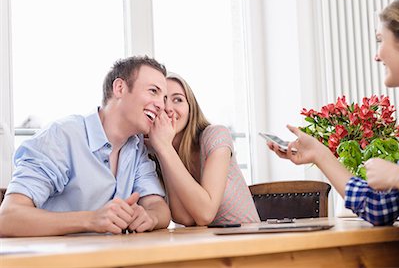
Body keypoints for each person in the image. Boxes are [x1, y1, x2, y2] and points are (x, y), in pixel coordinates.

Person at [267, 0, 399, 267]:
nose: (377, 56)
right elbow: (378, 208)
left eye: (381, 41)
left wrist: (398, 175)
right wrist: (320, 154)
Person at [0, 56, 171, 236]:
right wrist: (91, 219)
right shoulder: (62, 136)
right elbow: (8, 217)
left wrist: (149, 217)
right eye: (153, 91)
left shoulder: (136, 147)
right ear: (119, 88)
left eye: (164, 97)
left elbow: (158, 207)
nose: (161, 105)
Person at [145, 73, 260, 226]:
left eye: (178, 99)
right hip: (205, 245)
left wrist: (165, 148)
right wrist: (163, 151)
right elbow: (184, 218)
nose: (168, 108)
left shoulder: (216, 135)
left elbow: (205, 214)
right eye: (162, 99)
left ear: (191, 109)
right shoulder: (160, 152)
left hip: (247, 243)